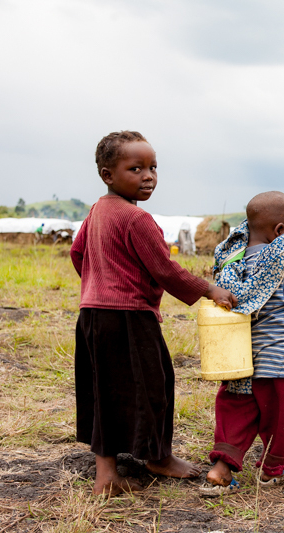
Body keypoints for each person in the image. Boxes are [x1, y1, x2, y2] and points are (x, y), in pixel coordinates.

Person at [70, 131, 237, 497]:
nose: (149, 176)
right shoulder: (136, 219)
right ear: (107, 174)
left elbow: (77, 253)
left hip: (92, 316)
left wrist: (97, 282)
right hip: (129, 317)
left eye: (153, 167)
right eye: (136, 168)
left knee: (104, 391)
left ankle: (107, 475)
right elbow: (164, 269)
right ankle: (157, 457)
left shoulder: (97, 211)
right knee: (154, 388)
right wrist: (210, 289)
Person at [203, 191, 284, 495]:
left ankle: (221, 469)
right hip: (279, 359)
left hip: (239, 357)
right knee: (283, 415)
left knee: (237, 411)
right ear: (281, 232)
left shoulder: (230, 264)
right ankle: (274, 468)